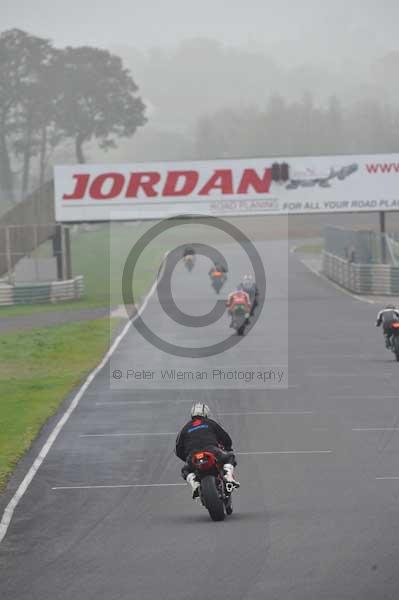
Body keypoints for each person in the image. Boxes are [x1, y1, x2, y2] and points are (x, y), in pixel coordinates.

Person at [175, 403, 240, 499]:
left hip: (193, 455)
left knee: (185, 469)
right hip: (212, 450)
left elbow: (178, 450)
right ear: (206, 414)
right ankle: (228, 477)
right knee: (230, 456)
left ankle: (195, 484)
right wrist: (227, 448)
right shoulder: (210, 423)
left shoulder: (185, 428)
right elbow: (225, 438)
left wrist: (188, 458)